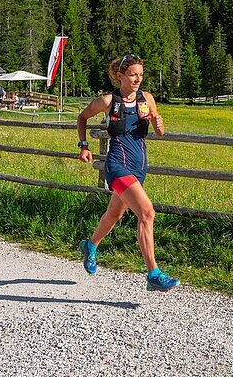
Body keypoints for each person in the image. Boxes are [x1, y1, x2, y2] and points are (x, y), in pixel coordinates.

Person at [76, 53, 179, 292]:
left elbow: (158, 130)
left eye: (141, 75)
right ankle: (153, 272)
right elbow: (82, 118)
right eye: (133, 75)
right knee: (147, 213)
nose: (138, 79)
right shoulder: (107, 101)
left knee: (115, 214)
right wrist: (83, 146)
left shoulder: (147, 98)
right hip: (118, 165)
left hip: (139, 165)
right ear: (120, 76)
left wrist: (159, 124)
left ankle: (90, 246)